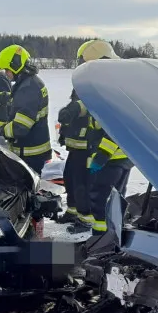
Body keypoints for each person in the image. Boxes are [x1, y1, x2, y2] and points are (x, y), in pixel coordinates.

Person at [80, 41, 134, 236]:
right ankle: (112, 236)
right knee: (115, 200)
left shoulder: (112, 89)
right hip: (122, 157)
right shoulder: (115, 83)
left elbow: (116, 126)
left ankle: (103, 240)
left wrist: (102, 154)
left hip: (113, 157)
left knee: (102, 201)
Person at [0, 44, 51, 174]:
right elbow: (22, 102)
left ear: (15, 66)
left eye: (7, 70)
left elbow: (20, 127)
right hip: (33, 151)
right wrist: (5, 97)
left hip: (30, 154)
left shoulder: (28, 88)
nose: (7, 75)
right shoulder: (29, 83)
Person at [56, 40, 99, 228]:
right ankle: (72, 212)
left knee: (82, 183)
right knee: (70, 178)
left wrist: (74, 109)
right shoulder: (85, 81)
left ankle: (85, 220)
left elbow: (88, 105)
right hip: (76, 145)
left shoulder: (97, 81)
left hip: (87, 146)